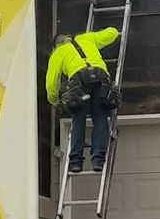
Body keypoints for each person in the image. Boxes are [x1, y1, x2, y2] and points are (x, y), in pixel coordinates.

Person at [46, 25, 121, 173]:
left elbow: (51, 84)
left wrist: (54, 101)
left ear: (56, 45)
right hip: (101, 80)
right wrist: (98, 33)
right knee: (100, 117)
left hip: (79, 84)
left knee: (78, 120)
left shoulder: (58, 53)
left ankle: (76, 162)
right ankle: (99, 159)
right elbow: (112, 33)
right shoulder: (86, 38)